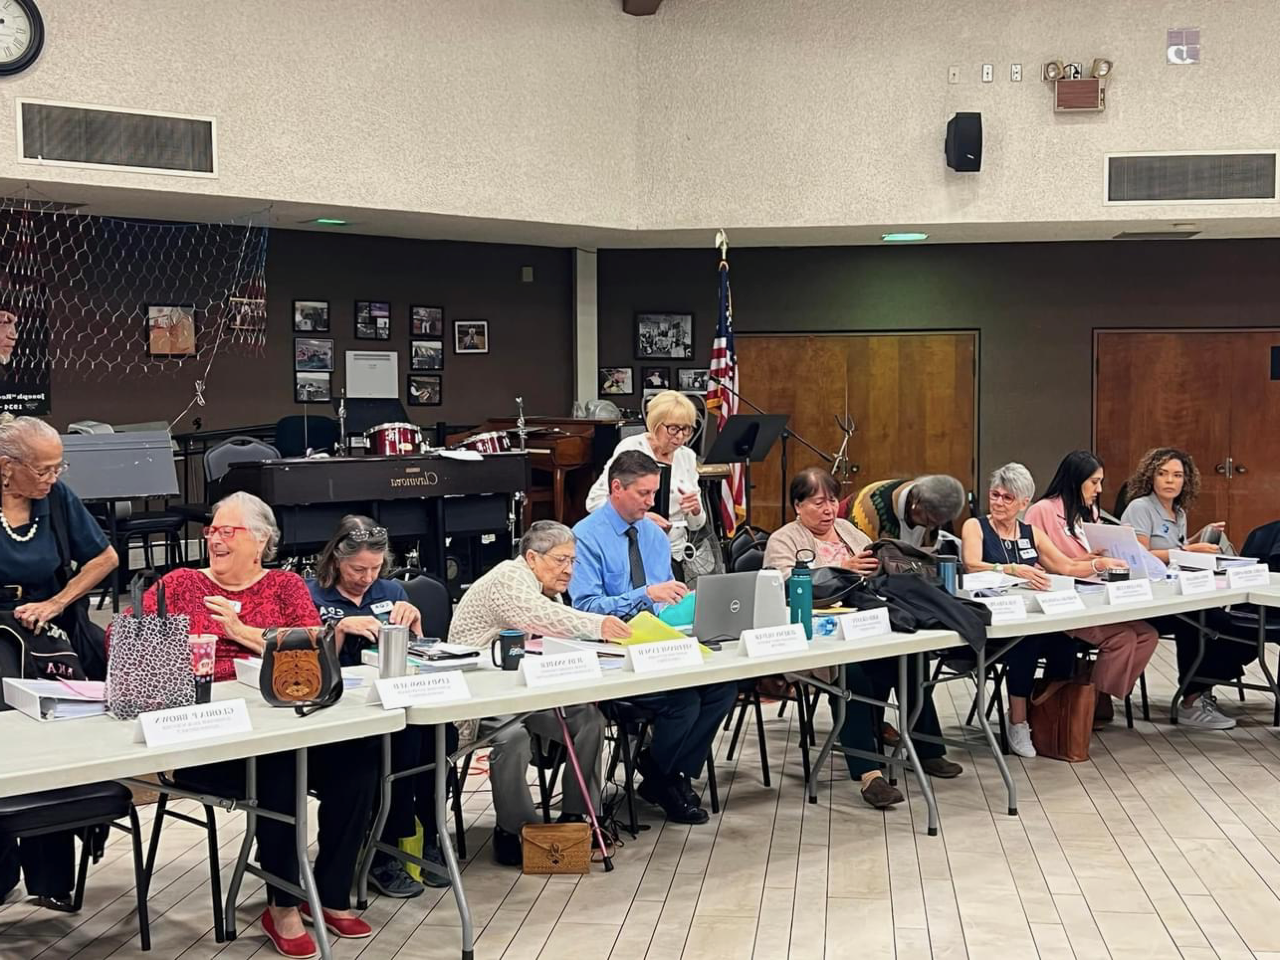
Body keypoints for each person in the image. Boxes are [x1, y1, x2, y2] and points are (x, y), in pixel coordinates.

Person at [134, 492, 376, 956]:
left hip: (280, 722)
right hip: (208, 736)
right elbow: (124, 639)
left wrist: (240, 633)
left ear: (261, 540)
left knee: (359, 760)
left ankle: (328, 891)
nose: (215, 539)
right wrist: (174, 653)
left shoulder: (284, 586)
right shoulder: (180, 583)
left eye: (229, 531)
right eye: (213, 530)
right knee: (280, 766)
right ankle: (282, 903)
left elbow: (314, 650)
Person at [765, 468, 962, 802]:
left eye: (831, 501)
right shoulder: (784, 539)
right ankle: (869, 774)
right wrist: (844, 570)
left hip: (867, 630)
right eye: (817, 503)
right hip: (818, 641)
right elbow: (782, 586)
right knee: (851, 675)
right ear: (797, 505)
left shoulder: (847, 530)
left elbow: (877, 566)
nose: (828, 510)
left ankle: (927, 748)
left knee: (911, 659)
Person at [569, 450, 737, 825]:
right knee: (684, 703)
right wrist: (645, 595)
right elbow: (586, 609)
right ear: (616, 488)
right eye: (643, 494)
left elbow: (662, 602)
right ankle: (665, 778)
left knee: (724, 687)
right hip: (612, 650)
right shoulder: (584, 537)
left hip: (658, 642)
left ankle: (663, 773)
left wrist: (685, 607)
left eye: (653, 494)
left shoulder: (654, 535)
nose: (651, 503)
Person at [451, 520, 631, 864]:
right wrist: (598, 625)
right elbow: (539, 617)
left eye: (573, 561)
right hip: (481, 695)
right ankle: (514, 830)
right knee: (513, 737)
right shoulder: (509, 579)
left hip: (529, 690)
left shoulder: (548, 587)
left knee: (590, 720)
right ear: (532, 558)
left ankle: (577, 819)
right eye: (561, 560)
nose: (568, 570)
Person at [0, 414, 118, 913]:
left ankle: (51, 879)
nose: (53, 478)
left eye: (57, 467)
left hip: (48, 634)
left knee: (53, 751)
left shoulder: (57, 500)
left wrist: (57, 602)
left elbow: (105, 558)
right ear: (7, 468)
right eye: (43, 469)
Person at [306, 515, 451, 897]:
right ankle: (384, 853)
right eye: (357, 568)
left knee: (438, 735)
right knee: (394, 746)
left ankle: (423, 834)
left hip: (390, 701)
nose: (367, 577)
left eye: (375, 568)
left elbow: (418, 654)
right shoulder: (311, 595)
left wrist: (415, 624)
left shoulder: (392, 591)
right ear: (336, 559)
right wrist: (338, 630)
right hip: (337, 709)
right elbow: (308, 669)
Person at [960, 463, 1108, 756]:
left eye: (1007, 498)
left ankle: (1045, 711)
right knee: (1024, 645)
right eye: (995, 495)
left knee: (1064, 642)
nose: (999, 502)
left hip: (1031, 616)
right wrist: (1012, 569)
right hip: (993, 622)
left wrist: (1098, 565)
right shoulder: (975, 526)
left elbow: (1064, 566)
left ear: (1024, 503)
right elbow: (971, 563)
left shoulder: (1032, 532)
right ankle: (1017, 722)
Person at [1025, 451, 1159, 727]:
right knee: (1122, 638)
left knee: (1147, 635)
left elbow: (1082, 559)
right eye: (1094, 482)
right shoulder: (1042, 511)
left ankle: (1100, 692)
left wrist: (1094, 559)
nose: (1099, 490)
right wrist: (1086, 563)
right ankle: (1093, 702)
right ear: (1075, 480)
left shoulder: (1090, 512)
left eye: (1101, 482)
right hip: (1062, 601)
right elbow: (1037, 561)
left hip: (1095, 592)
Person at [1121, 448, 1250, 729]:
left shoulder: (1178, 511)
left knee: (1228, 624)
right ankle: (1191, 700)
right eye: (1163, 473)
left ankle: (1202, 688)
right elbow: (1138, 555)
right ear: (1151, 477)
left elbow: (1172, 550)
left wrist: (1197, 538)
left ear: (1185, 480)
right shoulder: (1141, 507)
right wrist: (1188, 549)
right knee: (1201, 621)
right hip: (1147, 598)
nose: (1170, 481)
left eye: (1177, 475)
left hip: (1176, 592)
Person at [586, 390, 708, 583]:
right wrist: (641, 519)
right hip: (633, 553)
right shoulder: (631, 448)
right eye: (673, 429)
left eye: (687, 429)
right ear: (655, 425)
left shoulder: (687, 456)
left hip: (674, 554)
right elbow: (595, 502)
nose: (680, 437)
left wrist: (695, 509)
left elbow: (697, 524)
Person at [849, 474, 966, 547]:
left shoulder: (932, 506)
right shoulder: (870, 511)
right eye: (929, 521)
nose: (931, 527)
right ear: (916, 504)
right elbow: (858, 554)